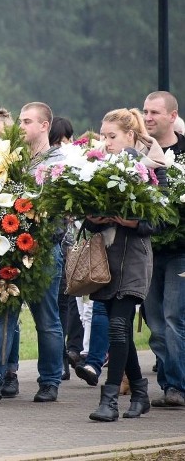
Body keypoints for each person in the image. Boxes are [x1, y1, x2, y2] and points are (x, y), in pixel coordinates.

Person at [0, 102, 65, 404]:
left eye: (28, 121)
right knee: (1, 311)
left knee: (46, 318)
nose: (22, 126)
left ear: (45, 125)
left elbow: (54, 209)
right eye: (20, 120)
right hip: (10, 245)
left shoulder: (58, 161)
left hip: (44, 249)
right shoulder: (13, 158)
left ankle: (50, 380)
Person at [85, 107, 167, 421]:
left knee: (119, 326)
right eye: (103, 136)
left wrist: (132, 222)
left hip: (134, 259)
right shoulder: (97, 167)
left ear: (129, 136)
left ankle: (109, 401)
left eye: (112, 136)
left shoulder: (149, 168)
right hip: (106, 261)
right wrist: (94, 219)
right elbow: (88, 221)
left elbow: (159, 221)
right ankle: (141, 392)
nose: (105, 142)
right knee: (122, 332)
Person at [142, 91, 185, 408]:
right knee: (155, 321)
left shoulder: (183, 150)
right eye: (145, 111)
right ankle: (169, 382)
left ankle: (178, 386)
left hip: (180, 248)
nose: (148, 117)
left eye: (155, 112)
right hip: (148, 248)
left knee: (173, 317)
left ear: (173, 115)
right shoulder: (138, 153)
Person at [49, 116, 84, 380]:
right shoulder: (61, 160)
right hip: (65, 239)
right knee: (62, 303)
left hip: (61, 239)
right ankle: (60, 359)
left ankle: (60, 358)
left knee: (60, 303)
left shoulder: (65, 161)